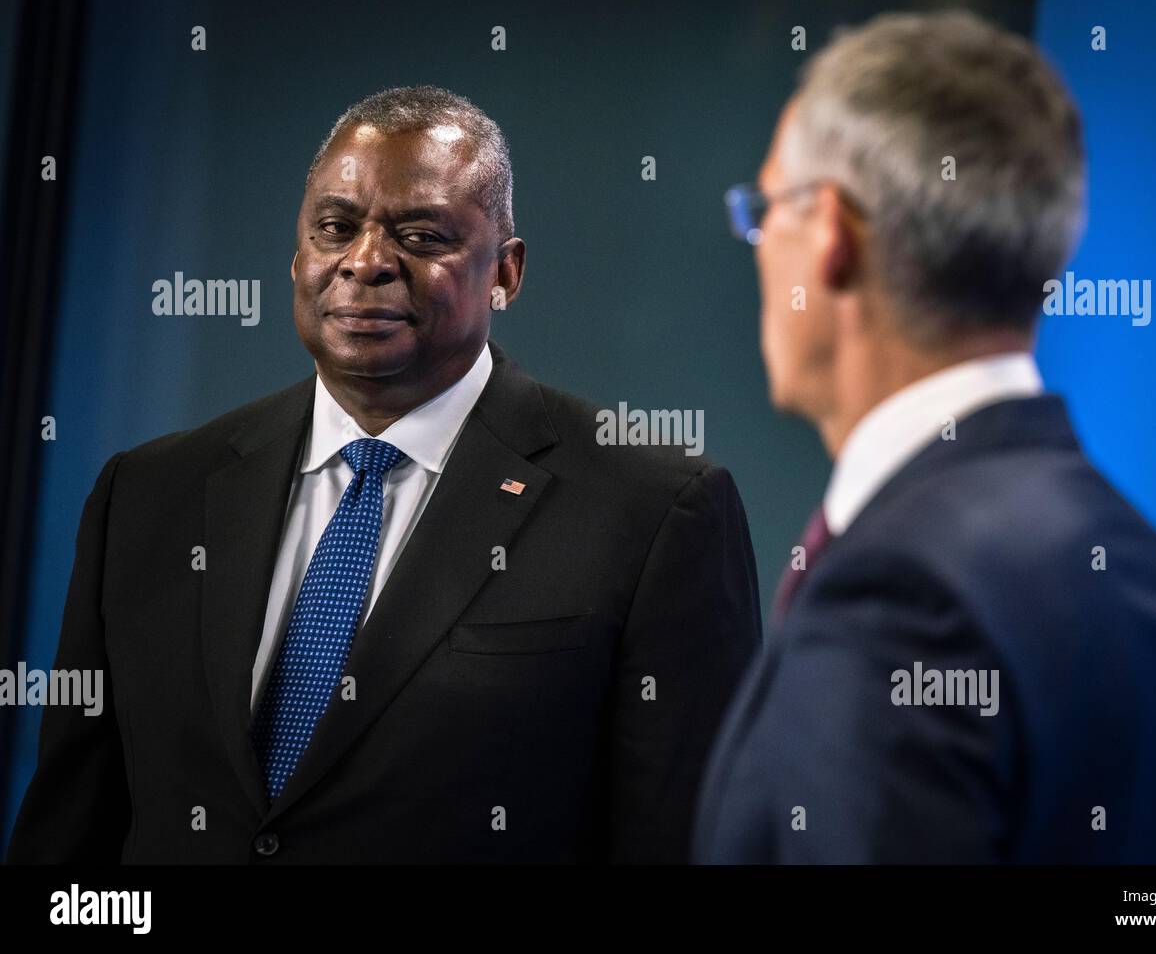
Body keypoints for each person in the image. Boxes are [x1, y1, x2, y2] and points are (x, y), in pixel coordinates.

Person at [8, 85, 761, 864]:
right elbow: (71, 849)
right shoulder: (148, 494)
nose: (365, 263)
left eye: (422, 235)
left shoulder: (655, 512)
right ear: (298, 254)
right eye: (335, 228)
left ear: (506, 271)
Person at [693, 11, 1156, 863]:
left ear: (832, 234)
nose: (758, 247)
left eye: (765, 211)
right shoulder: (1154, 581)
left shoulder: (897, 597)